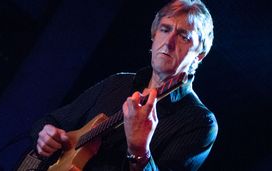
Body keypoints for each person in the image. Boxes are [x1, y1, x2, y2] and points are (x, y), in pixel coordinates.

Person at [25, 0, 218, 170]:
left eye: (184, 36)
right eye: (165, 29)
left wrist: (139, 151)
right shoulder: (118, 82)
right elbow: (52, 120)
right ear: (153, 37)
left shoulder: (200, 122)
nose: (168, 43)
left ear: (199, 56)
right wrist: (45, 134)